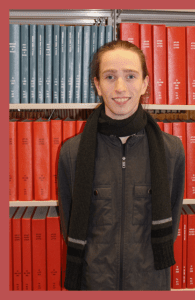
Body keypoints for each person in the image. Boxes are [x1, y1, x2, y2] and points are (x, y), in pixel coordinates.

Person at [58, 40, 185, 291]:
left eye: (130, 76)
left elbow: (172, 222)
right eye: (109, 76)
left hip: (151, 283)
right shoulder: (72, 153)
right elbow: (69, 226)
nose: (119, 87)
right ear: (97, 85)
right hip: (93, 284)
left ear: (145, 83)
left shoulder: (172, 151)